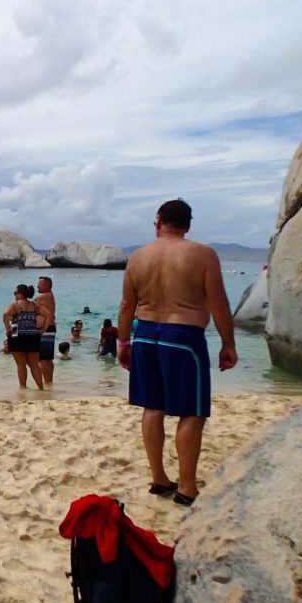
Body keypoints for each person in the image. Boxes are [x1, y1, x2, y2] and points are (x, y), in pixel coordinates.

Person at [118, 198, 237, 507]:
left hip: (144, 335)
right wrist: (228, 343)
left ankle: (158, 478)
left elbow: (126, 307)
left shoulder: (138, 257)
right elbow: (219, 303)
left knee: (152, 407)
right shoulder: (203, 254)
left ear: (158, 220)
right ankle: (186, 487)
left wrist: (122, 343)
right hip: (184, 338)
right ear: (188, 224)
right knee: (192, 411)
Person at [2, 284, 48, 390]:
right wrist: (42, 330)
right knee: (34, 364)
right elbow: (48, 316)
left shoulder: (15, 305)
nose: (14, 295)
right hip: (33, 335)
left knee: (20, 364)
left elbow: (5, 314)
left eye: (15, 293)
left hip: (16, 332)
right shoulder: (34, 305)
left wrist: (7, 328)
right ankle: (41, 388)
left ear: (20, 294)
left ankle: (23, 387)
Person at [37, 276, 57, 387]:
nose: (37, 285)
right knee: (48, 358)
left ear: (47, 286)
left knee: (43, 358)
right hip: (50, 328)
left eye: (40, 283)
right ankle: (49, 382)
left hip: (45, 329)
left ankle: (47, 382)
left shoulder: (43, 296)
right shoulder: (49, 296)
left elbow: (28, 305)